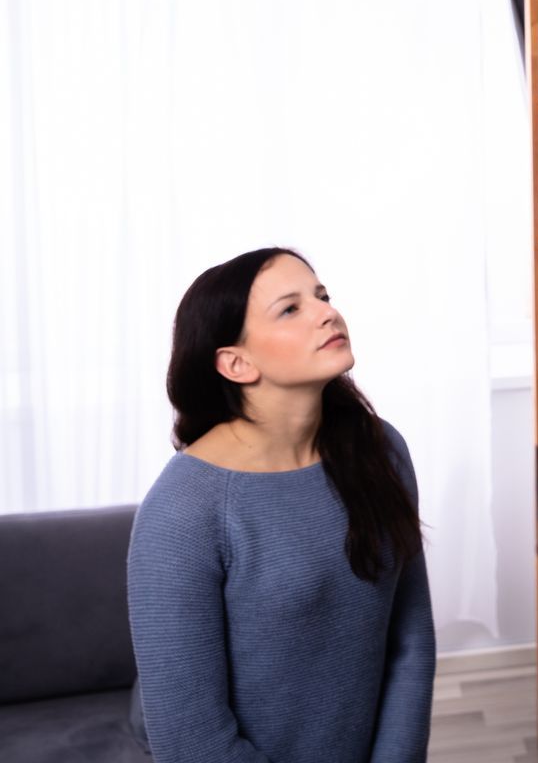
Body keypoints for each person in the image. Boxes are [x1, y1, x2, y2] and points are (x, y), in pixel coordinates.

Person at [127, 248, 434, 763]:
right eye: (290, 309)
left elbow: (410, 638)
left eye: (322, 295)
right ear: (236, 363)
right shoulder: (182, 512)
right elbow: (192, 740)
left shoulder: (380, 450)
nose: (326, 312)